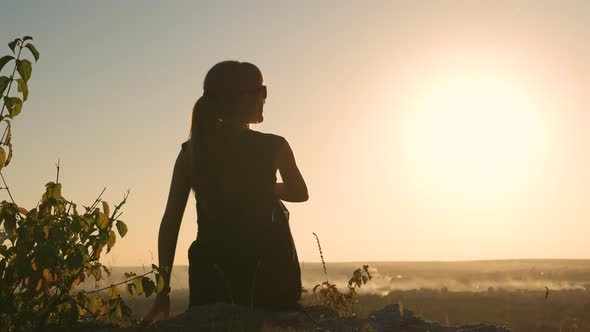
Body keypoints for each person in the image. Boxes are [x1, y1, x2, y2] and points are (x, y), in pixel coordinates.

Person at [142, 61, 308, 323]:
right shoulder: (275, 146)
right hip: (270, 284)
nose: (265, 99)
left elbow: (170, 223)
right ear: (245, 98)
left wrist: (162, 294)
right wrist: (266, 190)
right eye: (263, 91)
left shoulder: (192, 152)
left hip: (212, 281)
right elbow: (300, 192)